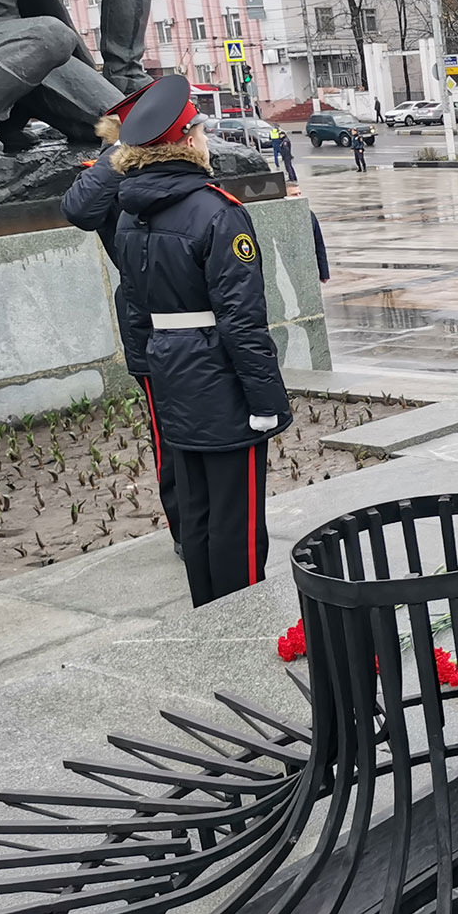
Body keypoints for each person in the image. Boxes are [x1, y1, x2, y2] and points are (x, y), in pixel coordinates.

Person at [107, 74, 291, 607]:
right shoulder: (217, 211)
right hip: (219, 376)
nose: (206, 140)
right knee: (238, 516)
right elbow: (242, 320)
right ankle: (241, 621)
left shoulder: (130, 214)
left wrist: (152, 371)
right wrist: (266, 401)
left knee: (198, 510)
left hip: (170, 372)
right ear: (187, 141)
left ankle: (206, 619)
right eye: (202, 132)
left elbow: (134, 307)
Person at [62, 81, 180, 552]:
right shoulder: (113, 172)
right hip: (147, 323)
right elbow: (78, 210)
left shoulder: (177, 165)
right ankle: (186, 529)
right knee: (169, 434)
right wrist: (121, 150)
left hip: (198, 322)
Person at [284, 182, 330, 282]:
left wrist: (324, 272)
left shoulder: (309, 214)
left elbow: (319, 243)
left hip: (307, 267)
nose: (298, 197)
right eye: (294, 194)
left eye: (299, 193)